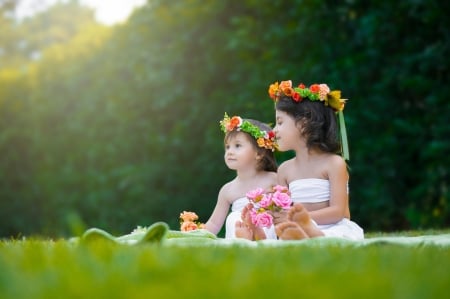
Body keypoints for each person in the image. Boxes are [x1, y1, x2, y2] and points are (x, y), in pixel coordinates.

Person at [239, 80, 363, 241]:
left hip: (332, 227)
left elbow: (339, 212)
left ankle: (310, 233)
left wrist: (305, 220)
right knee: (284, 231)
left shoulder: (333, 163)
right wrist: (267, 213)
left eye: (280, 122)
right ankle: (260, 233)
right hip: (296, 226)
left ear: (304, 123)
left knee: (334, 236)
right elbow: (283, 211)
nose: (274, 130)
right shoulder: (285, 169)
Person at [203, 113, 278, 240]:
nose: (229, 152)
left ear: (259, 153)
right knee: (234, 218)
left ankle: (257, 235)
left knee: (265, 218)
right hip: (238, 236)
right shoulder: (227, 190)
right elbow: (214, 224)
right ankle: (243, 239)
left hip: (268, 240)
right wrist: (195, 234)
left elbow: (286, 210)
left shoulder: (274, 179)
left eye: (237, 146)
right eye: (227, 147)